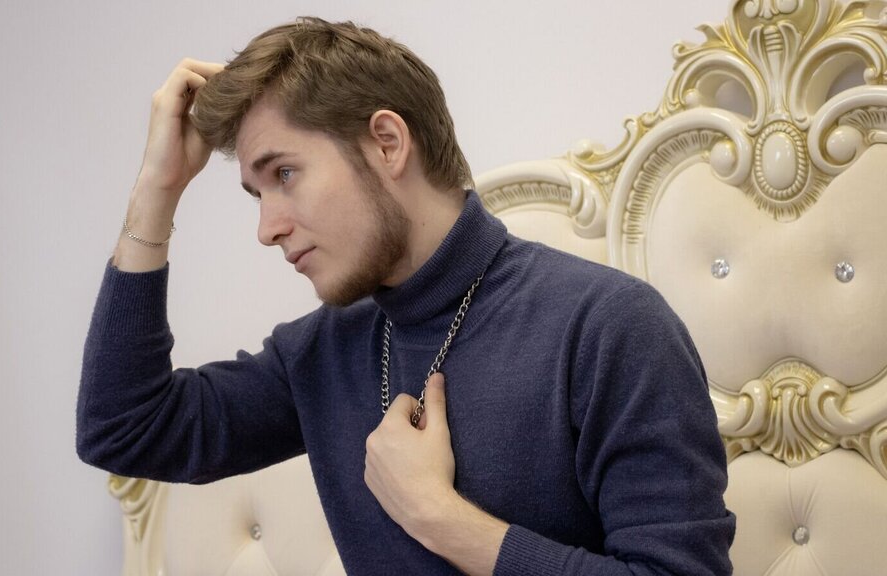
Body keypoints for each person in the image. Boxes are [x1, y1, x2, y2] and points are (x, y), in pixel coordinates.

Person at [77, 17, 735, 575]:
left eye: (285, 173)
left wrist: (440, 518)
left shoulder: (610, 327)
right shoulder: (323, 351)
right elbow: (123, 429)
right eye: (257, 193)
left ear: (387, 143)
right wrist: (158, 188)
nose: (267, 227)